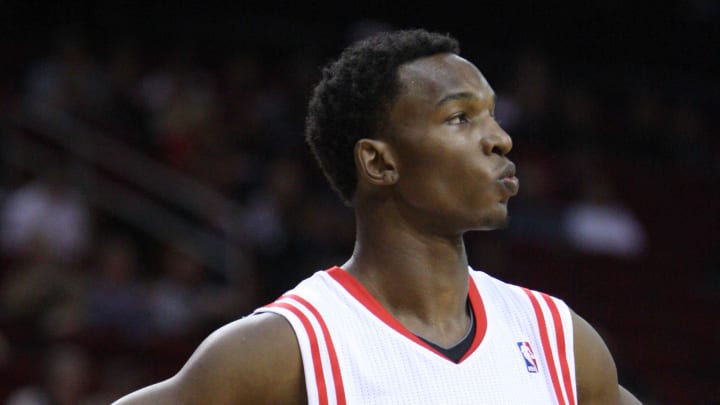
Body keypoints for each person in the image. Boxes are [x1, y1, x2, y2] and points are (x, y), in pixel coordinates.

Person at [114, 29, 641, 404]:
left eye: (492, 116)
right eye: (460, 118)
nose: (499, 138)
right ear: (379, 161)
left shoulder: (556, 339)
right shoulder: (287, 347)